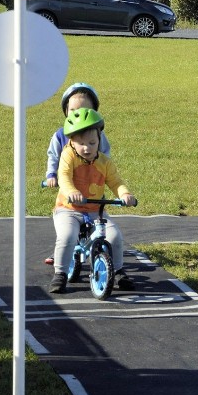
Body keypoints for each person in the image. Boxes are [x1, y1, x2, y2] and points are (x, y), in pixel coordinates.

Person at [48, 108, 137, 294]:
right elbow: (63, 176)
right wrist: (71, 191)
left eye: (92, 142)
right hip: (68, 209)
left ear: (99, 141)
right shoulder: (68, 156)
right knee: (67, 236)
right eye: (81, 143)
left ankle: (119, 270)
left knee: (114, 236)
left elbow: (116, 181)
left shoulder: (105, 162)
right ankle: (60, 273)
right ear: (71, 141)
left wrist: (125, 194)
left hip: (95, 210)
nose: (87, 148)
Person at [43, 82, 111, 265]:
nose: (77, 114)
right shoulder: (60, 135)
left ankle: (100, 249)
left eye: (84, 109)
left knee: (98, 224)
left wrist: (106, 176)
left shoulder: (98, 136)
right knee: (67, 227)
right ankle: (62, 252)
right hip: (70, 187)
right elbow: (53, 156)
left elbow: (105, 158)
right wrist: (51, 175)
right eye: (72, 110)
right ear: (66, 111)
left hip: (92, 187)